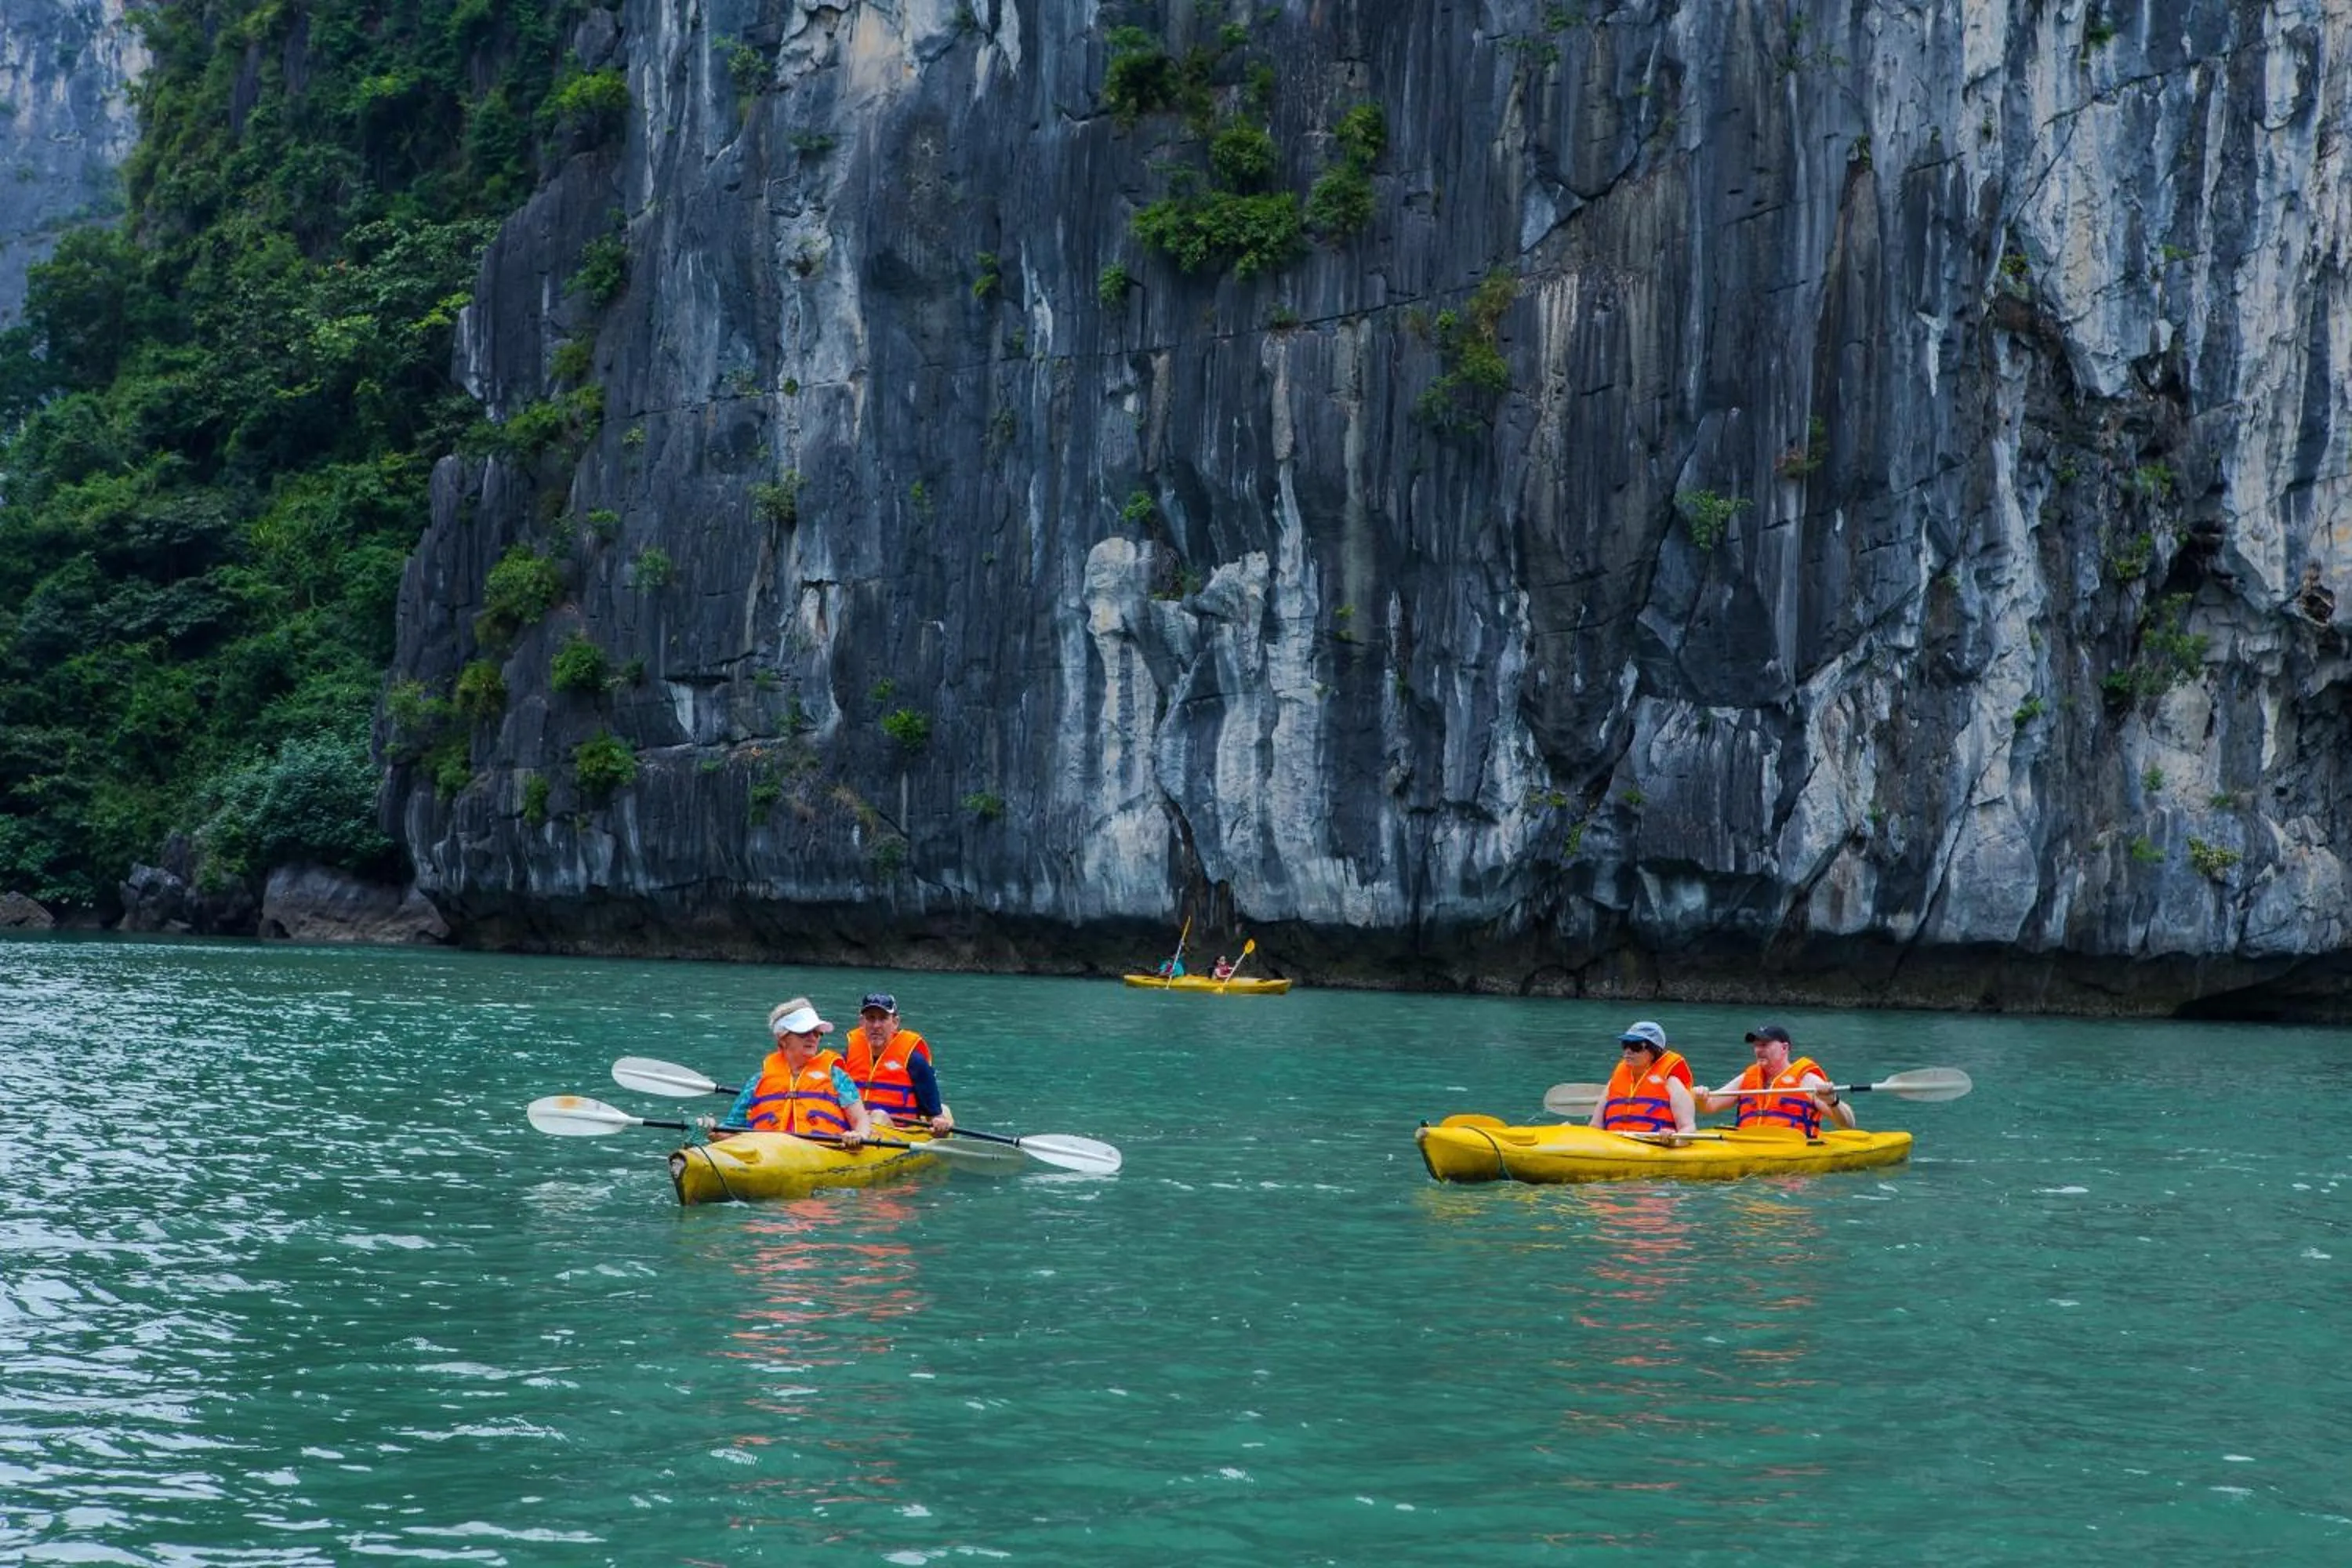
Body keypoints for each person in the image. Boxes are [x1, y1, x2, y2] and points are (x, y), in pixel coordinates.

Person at [720, 996, 870, 1145]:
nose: (812, 1038)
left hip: (823, 1152)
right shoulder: (758, 1080)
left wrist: (858, 1135)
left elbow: (860, 1120)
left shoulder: (836, 1076)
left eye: (817, 1033)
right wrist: (710, 1129)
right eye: (804, 1032)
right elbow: (728, 1129)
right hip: (767, 1153)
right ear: (782, 1039)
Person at [1697, 1023, 1857, 1136]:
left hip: (1791, 1154)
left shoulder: (1807, 1080)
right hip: (1747, 1145)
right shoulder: (1747, 1078)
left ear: (1784, 1048)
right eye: (1756, 1046)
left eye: (1765, 1045)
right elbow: (1710, 1106)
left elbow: (1848, 1124)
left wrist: (1833, 1101)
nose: (1759, 1050)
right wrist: (1701, 1098)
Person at [841, 992, 953, 1133]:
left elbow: (935, 1116)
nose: (876, 1025)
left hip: (897, 1134)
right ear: (862, 1022)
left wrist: (940, 1124)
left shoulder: (915, 1062)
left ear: (895, 1023)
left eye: (883, 1019)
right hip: (853, 1132)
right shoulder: (847, 1057)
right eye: (871, 1018)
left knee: (878, 1116)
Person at [1591, 1020, 1696, 1135]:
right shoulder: (1614, 1082)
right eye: (1625, 1045)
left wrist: (1673, 1138)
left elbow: (1689, 1128)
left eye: (1636, 1046)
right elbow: (1595, 1126)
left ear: (1654, 1050)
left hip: (1654, 1144)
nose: (1628, 1051)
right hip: (1614, 1143)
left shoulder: (1672, 1083)